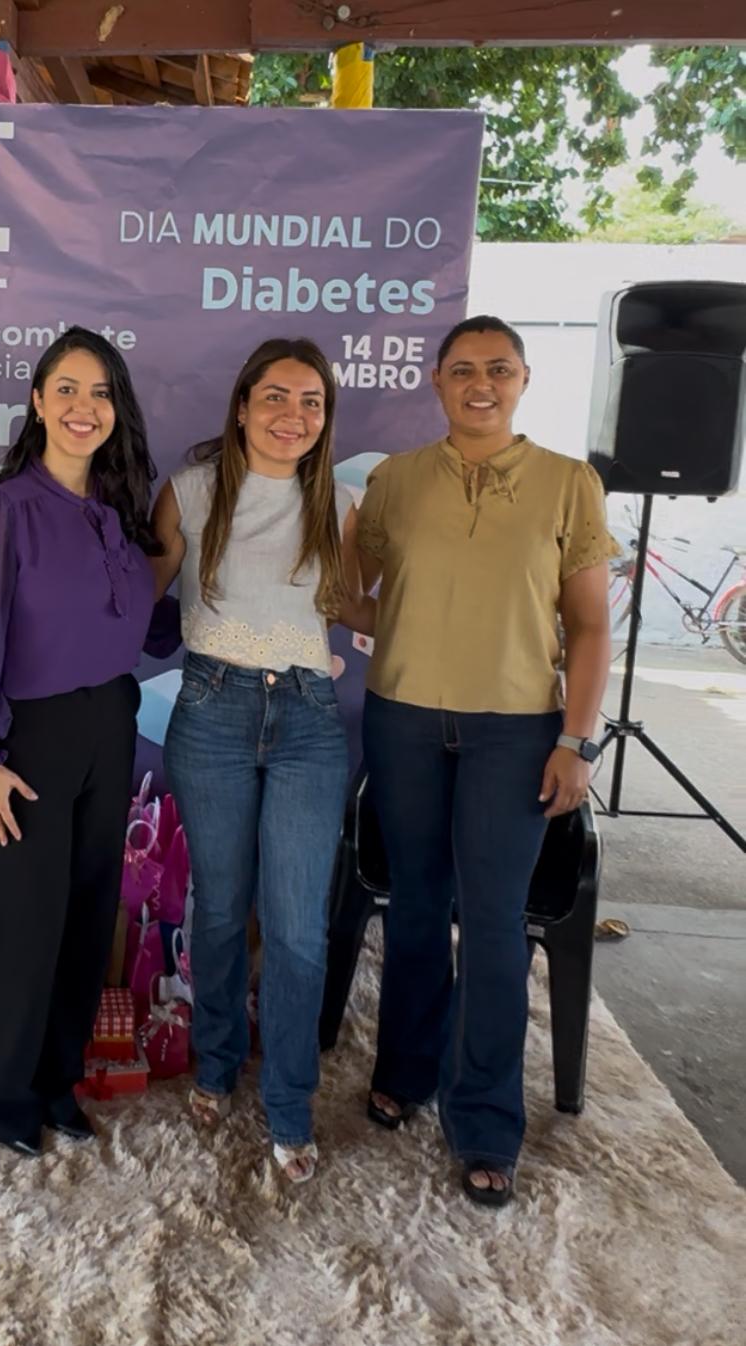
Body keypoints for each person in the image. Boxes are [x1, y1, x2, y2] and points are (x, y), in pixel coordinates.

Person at [356, 315, 617, 1207]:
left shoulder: (568, 484)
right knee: (418, 908)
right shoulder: (394, 480)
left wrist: (576, 741)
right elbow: (350, 585)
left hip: (516, 731)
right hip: (402, 722)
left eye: (498, 370)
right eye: (463, 370)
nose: (481, 384)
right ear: (436, 383)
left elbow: (588, 626)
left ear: (524, 379)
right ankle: (406, 1070)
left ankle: (485, 1119)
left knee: (497, 923)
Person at [0, 326, 161, 1157]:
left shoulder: (118, 511)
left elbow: (148, 625)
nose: (83, 407)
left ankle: (58, 1079)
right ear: (36, 402)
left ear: (116, 410)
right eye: (66, 389)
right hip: (24, 736)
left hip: (112, 724)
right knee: (18, 924)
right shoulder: (3, 511)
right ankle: (3, 1093)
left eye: (100, 392)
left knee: (83, 915)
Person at [150, 336, 363, 1185]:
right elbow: (136, 592)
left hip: (309, 719)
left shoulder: (341, 503)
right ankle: (212, 1063)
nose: (293, 415)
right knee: (219, 907)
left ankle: (288, 1103)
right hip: (213, 710)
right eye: (277, 397)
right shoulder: (192, 491)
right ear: (242, 405)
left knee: (299, 925)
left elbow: (359, 607)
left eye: (311, 402)